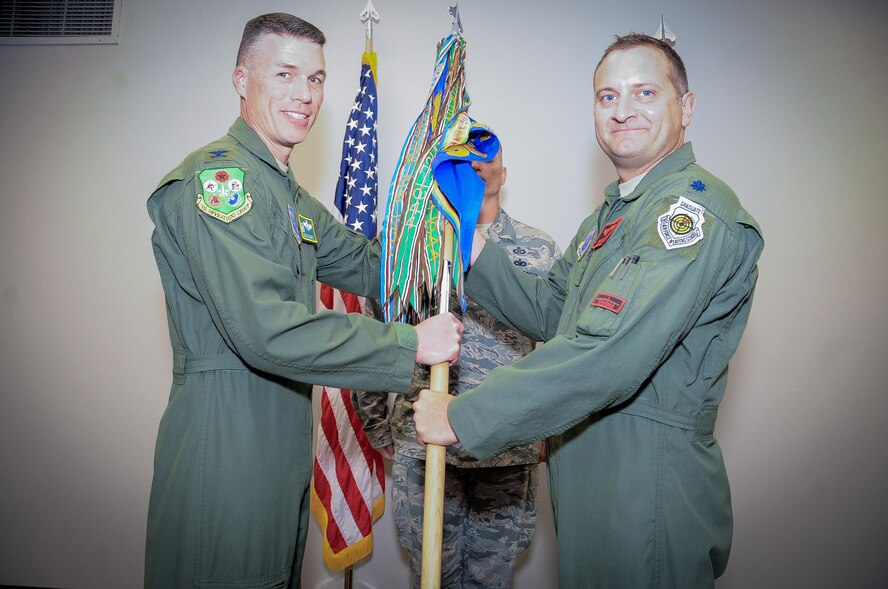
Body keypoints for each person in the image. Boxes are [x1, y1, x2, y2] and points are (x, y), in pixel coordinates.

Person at [414, 33, 764, 588]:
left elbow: (607, 354)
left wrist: (462, 417)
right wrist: (469, 241)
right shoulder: (613, 215)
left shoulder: (689, 214)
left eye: (645, 92)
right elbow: (553, 310)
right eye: (607, 96)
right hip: (594, 479)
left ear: (686, 108)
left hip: (644, 485)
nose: (623, 110)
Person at [144, 13, 462, 588]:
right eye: (285, 74)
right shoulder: (222, 182)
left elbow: (368, 263)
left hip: (279, 437)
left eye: (315, 79)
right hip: (227, 439)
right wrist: (411, 342)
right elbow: (268, 330)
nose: (304, 95)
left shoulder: (286, 192)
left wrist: (434, 227)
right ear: (242, 78)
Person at [353, 145, 561, 589]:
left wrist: (549, 434)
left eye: (487, 153)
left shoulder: (538, 250)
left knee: (493, 579)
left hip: (505, 451)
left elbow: (558, 350)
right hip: (426, 447)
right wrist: (378, 428)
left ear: (504, 173)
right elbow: (374, 337)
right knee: (430, 576)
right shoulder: (407, 249)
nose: (477, 162)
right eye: (464, 156)